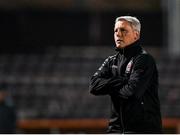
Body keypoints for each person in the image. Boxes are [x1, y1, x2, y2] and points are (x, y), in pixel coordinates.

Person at [89, 16, 162, 133]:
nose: (118, 34)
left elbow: (132, 93)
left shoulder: (144, 60)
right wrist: (123, 81)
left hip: (142, 130)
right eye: (115, 30)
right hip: (115, 130)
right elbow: (93, 86)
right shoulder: (111, 61)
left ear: (136, 35)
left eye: (123, 30)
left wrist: (109, 87)